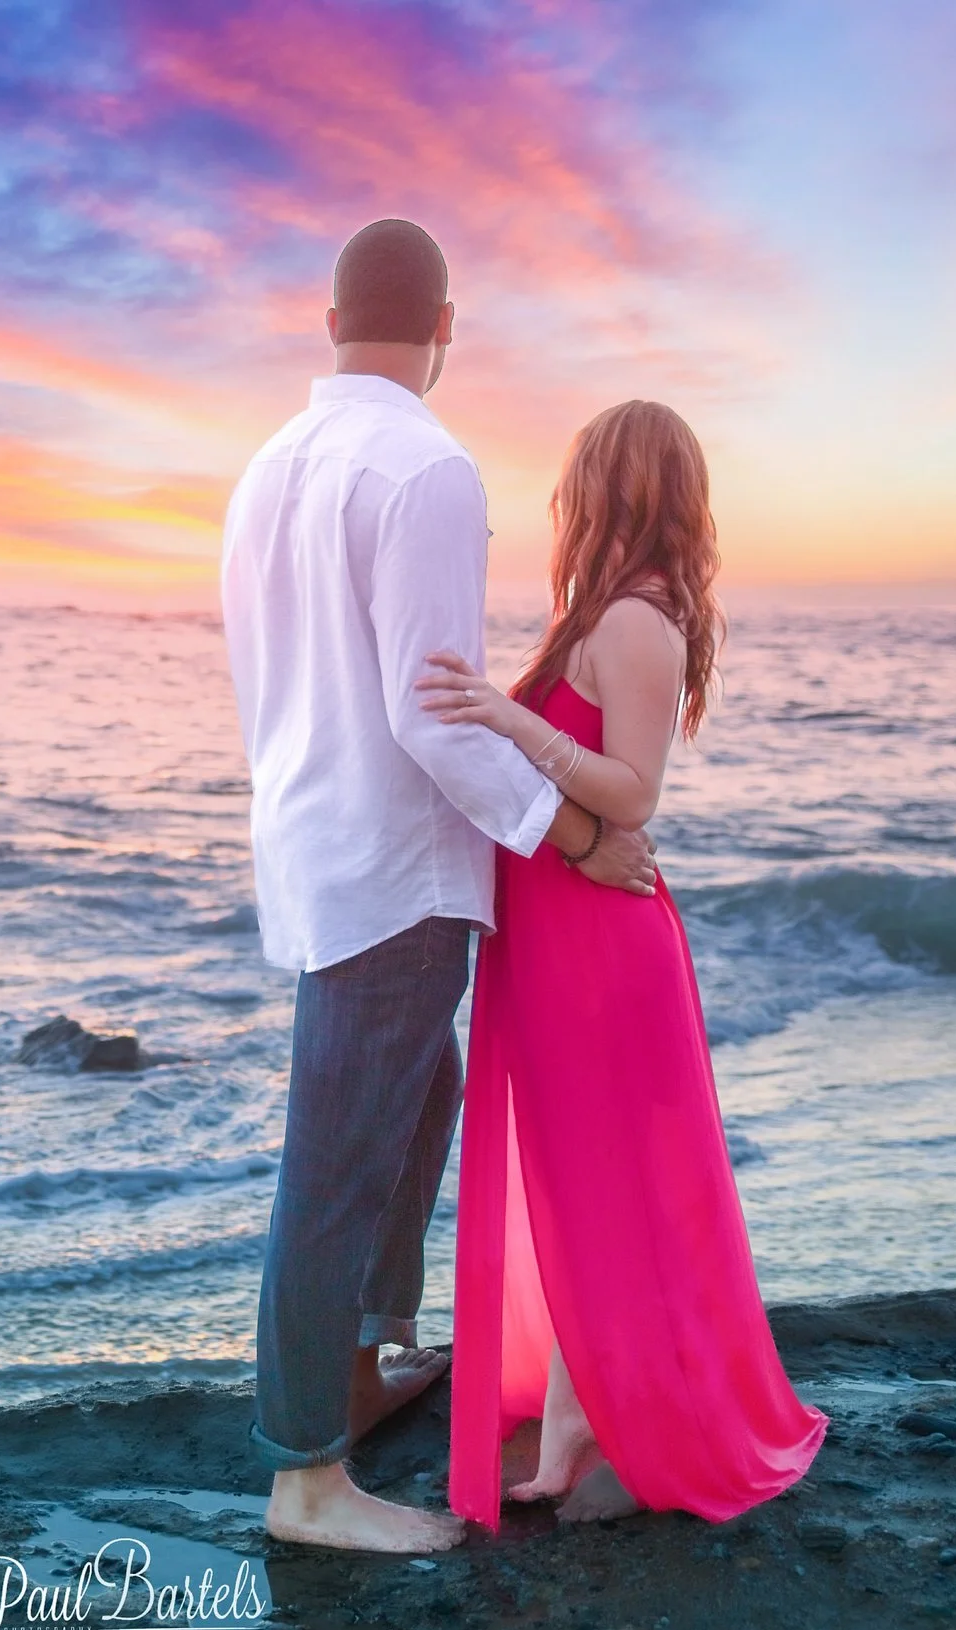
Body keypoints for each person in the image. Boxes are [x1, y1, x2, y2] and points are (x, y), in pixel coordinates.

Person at [219, 218, 660, 1555]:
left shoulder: (267, 467)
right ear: (447, 326)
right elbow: (433, 716)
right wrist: (572, 837)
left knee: (421, 1099)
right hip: (392, 860)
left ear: (330, 320)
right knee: (339, 1153)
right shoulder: (427, 466)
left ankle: (360, 1364)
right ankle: (305, 1477)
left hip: (307, 836)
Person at [415, 399, 828, 1527]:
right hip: (562, 933)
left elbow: (632, 790)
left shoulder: (635, 622)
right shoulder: (597, 615)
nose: (563, 505)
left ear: (609, 491)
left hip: (600, 949)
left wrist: (508, 718)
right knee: (569, 1176)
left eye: (576, 484)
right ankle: (572, 1408)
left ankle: (591, 1411)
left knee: (595, 1177)